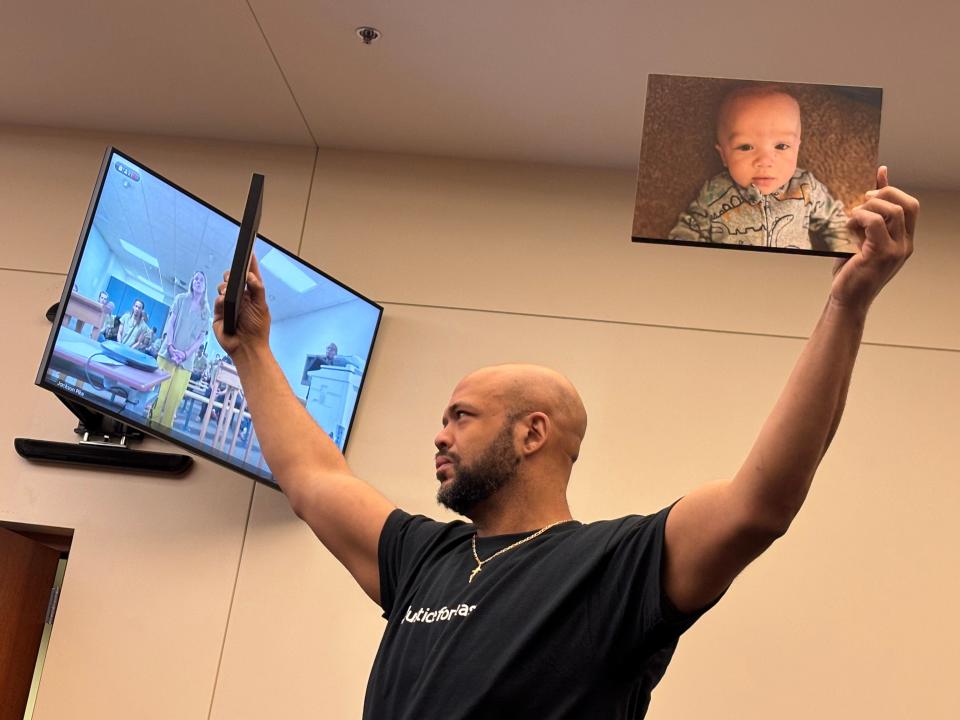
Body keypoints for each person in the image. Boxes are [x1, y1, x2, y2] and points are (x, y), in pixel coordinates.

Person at [212, 169, 916, 718]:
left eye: (461, 416)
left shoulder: (612, 569)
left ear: (532, 433)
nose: (439, 433)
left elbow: (759, 504)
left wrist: (845, 304)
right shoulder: (424, 557)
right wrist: (251, 349)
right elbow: (313, 479)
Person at [669, 84, 854, 252]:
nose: (765, 161)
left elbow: (835, 221)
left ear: (797, 148)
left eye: (781, 146)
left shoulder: (806, 186)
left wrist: (846, 256)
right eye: (746, 147)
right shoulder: (715, 191)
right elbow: (689, 228)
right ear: (723, 155)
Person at [149, 271, 211, 428]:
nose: (197, 281)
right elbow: (171, 323)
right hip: (167, 355)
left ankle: (164, 432)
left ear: (205, 287)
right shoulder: (180, 299)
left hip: (186, 362)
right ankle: (150, 425)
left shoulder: (206, 311)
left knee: (173, 400)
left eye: (201, 280)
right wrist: (170, 346)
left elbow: (201, 338)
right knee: (159, 396)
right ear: (191, 282)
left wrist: (185, 354)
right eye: (195, 278)